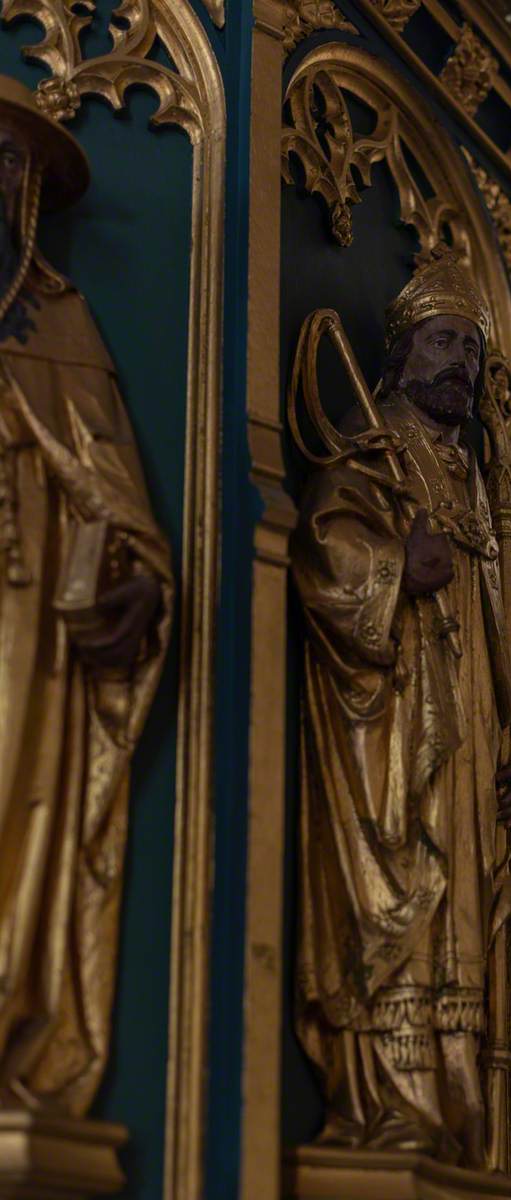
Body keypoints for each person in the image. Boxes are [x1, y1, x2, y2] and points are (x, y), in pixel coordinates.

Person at [291, 251, 511, 1166]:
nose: (461, 366)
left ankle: (457, 1115)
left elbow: (502, 625)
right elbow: (324, 556)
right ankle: (389, 1109)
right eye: (444, 343)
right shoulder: (369, 447)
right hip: (391, 731)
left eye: (472, 351)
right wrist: (396, 571)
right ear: (400, 356)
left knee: (461, 921)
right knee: (400, 910)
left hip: (468, 736)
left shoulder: (474, 480)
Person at [0, 75, 171, 1114]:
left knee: (15, 795)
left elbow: (111, 482)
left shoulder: (55, 319)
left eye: (14, 159)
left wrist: (140, 579)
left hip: (20, 619)